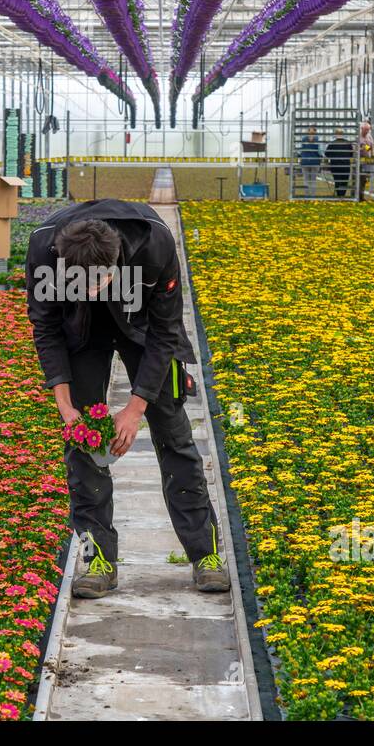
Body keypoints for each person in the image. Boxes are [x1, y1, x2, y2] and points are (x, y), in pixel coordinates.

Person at [25, 200, 231, 599]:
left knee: (174, 434)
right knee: (83, 442)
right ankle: (97, 557)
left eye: (98, 280)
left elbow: (166, 330)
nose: (90, 288)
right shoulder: (43, 249)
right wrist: (65, 406)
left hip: (144, 330)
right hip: (81, 333)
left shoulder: (155, 244)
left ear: (117, 259)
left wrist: (136, 407)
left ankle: (205, 554)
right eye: (80, 282)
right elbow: (45, 327)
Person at [324, 127, 356, 197]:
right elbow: (351, 154)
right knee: (345, 181)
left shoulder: (332, 143)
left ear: (336, 134)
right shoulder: (348, 143)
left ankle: (339, 195)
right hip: (345, 165)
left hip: (335, 165)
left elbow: (327, 154)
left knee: (337, 180)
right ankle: (342, 195)